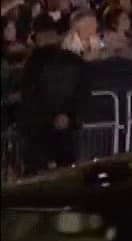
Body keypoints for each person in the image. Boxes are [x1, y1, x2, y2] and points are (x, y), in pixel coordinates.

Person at [19, 13, 88, 172]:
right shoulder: (76, 60)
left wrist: (51, 118)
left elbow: (29, 98)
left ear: (37, 37)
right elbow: (82, 93)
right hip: (68, 132)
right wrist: (67, 115)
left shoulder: (31, 64)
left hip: (39, 135)